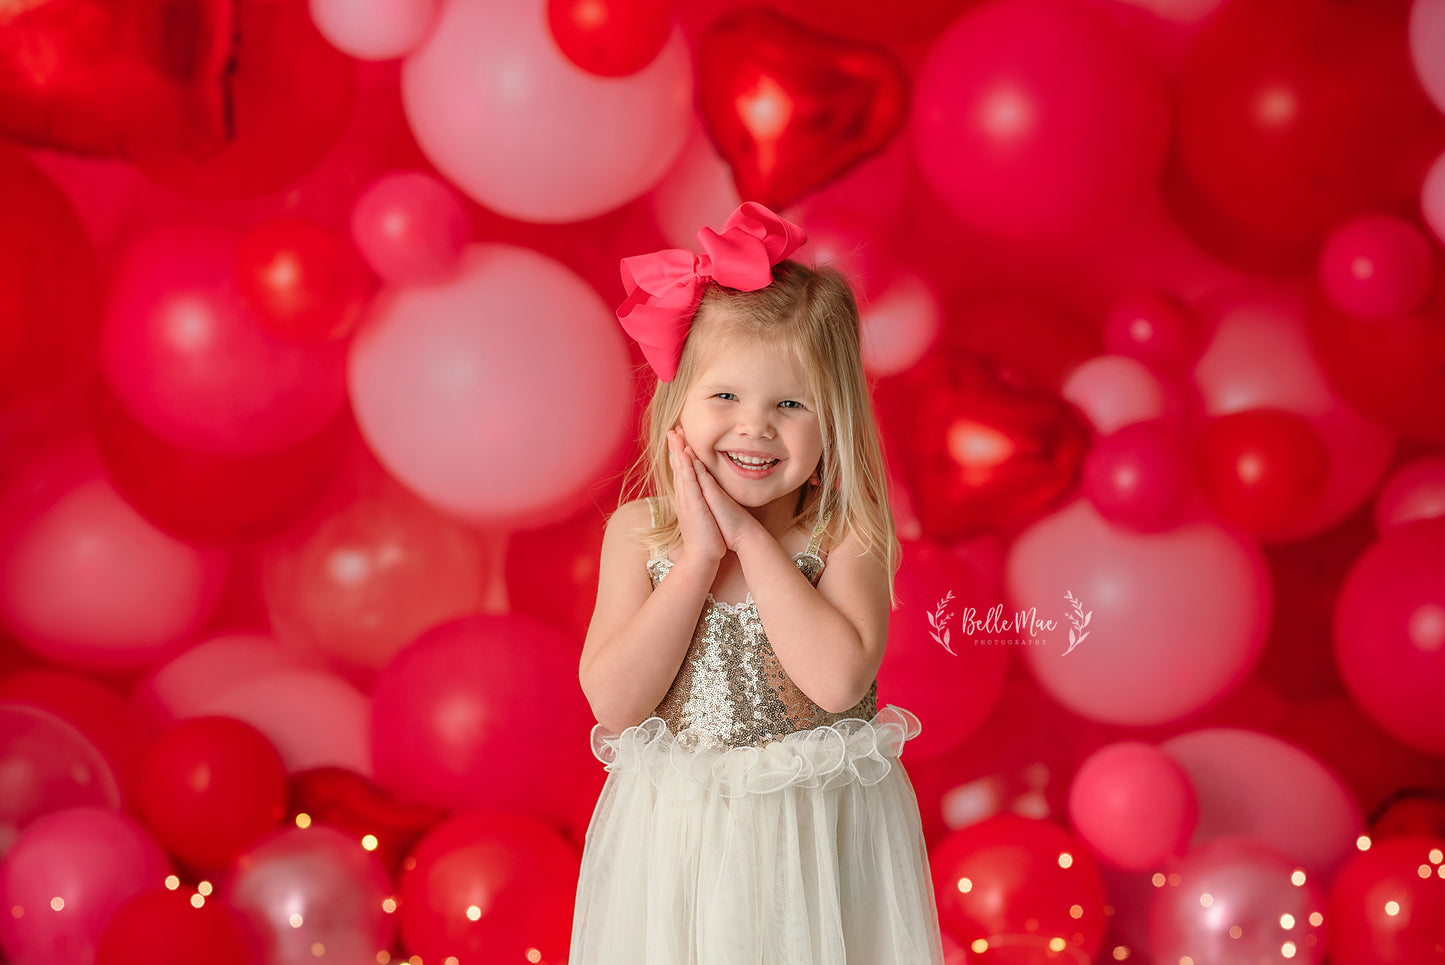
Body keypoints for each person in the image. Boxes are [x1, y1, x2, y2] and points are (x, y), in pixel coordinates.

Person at [570, 202, 945, 964]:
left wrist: (745, 536)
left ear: (833, 418)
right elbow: (613, 700)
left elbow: (838, 680)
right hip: (678, 847)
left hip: (814, 849)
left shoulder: (846, 536)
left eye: (789, 404)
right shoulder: (640, 535)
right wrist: (699, 556)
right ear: (679, 406)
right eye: (725, 397)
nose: (754, 427)